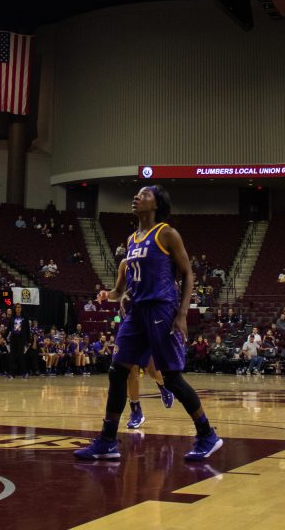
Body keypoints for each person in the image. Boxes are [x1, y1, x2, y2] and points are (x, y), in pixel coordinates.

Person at [74, 186, 222, 461]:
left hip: (161, 309)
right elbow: (122, 290)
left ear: (157, 204)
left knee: (171, 378)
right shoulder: (131, 239)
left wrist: (181, 314)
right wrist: (110, 294)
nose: (136, 197)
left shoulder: (166, 233)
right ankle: (107, 441)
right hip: (136, 311)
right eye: (136, 194)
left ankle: (207, 434)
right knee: (117, 372)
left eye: (144, 194)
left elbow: (188, 274)